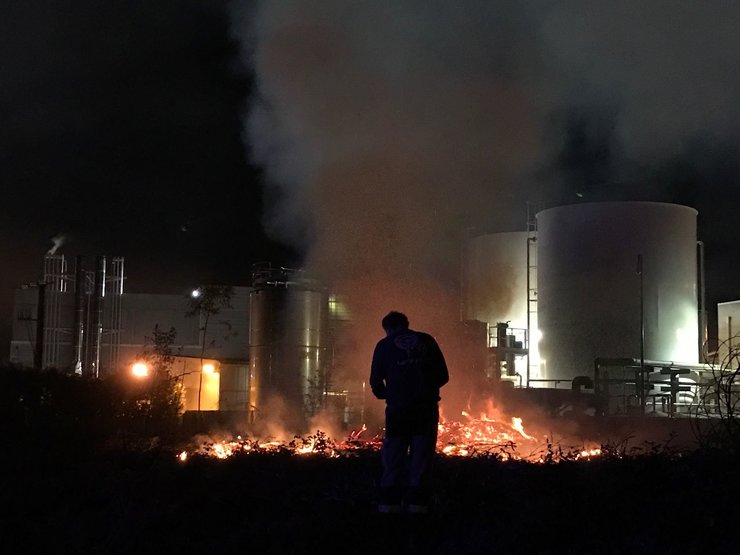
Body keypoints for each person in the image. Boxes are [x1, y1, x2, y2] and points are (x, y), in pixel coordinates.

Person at [370, 311, 449, 514]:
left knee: (393, 459)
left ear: (387, 329)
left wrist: (392, 394)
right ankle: (418, 509)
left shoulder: (384, 345)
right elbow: (443, 375)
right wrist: (425, 389)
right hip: (425, 410)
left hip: (398, 412)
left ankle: (388, 510)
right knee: (421, 460)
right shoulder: (426, 340)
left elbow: (376, 382)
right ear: (407, 324)